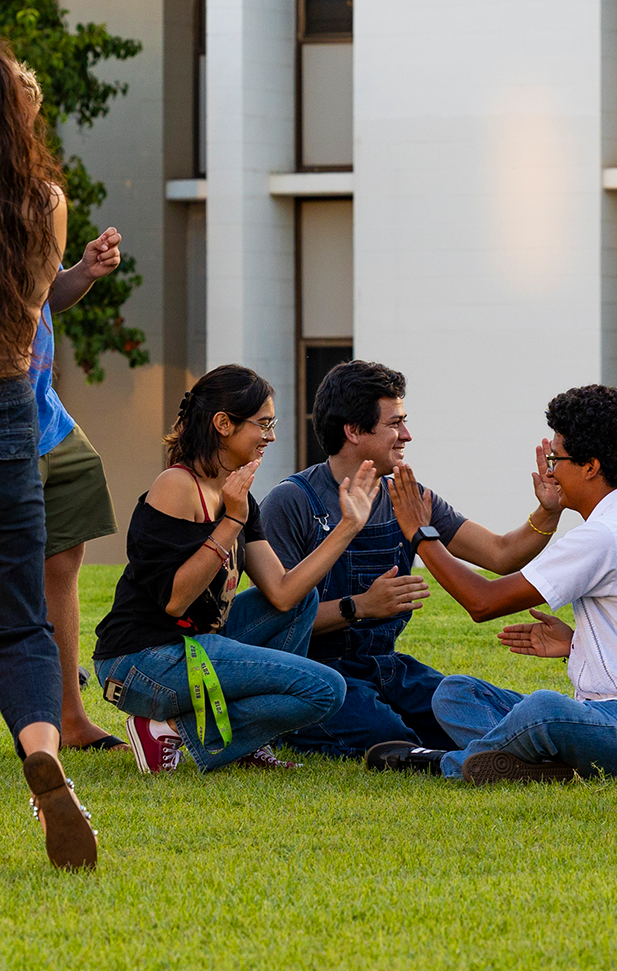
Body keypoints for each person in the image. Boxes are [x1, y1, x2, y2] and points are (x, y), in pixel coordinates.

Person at [364, 384, 617, 784]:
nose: (550, 470)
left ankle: (444, 764)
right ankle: (541, 766)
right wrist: (578, 644)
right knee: (456, 694)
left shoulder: (608, 535)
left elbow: (483, 602)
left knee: (543, 709)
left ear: (591, 467)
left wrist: (420, 532)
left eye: (556, 458)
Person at [259, 359, 563, 758]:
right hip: (317, 674)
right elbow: (277, 624)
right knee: (391, 736)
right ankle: (288, 726)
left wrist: (548, 511)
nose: (407, 435)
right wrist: (361, 606)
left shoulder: (407, 495)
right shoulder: (292, 502)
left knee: (463, 711)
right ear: (353, 430)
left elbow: (500, 554)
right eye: (394, 424)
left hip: (386, 667)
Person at [93, 365, 377, 773]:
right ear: (223, 424)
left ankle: (241, 741)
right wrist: (231, 522)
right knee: (326, 689)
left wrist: (347, 527)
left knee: (301, 604)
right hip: (142, 659)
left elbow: (282, 592)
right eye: (263, 424)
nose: (272, 435)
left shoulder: (238, 497)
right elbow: (175, 601)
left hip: (194, 648)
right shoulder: (176, 487)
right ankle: (171, 730)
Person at [0, 44, 97, 869]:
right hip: (10, 418)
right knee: (19, 623)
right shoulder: (44, 204)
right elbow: (33, 305)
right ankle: (44, 750)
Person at [16, 63, 128, 751]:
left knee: (64, 565)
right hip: (10, 422)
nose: (27, 130)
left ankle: (70, 716)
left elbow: (38, 297)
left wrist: (81, 273)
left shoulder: (35, 202)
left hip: (48, 418)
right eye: (20, 116)